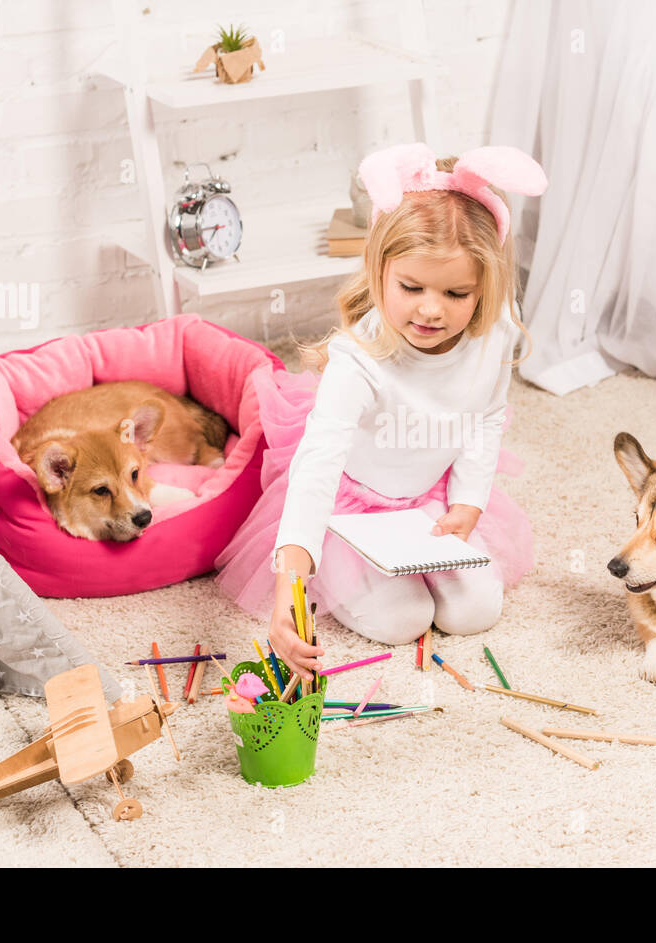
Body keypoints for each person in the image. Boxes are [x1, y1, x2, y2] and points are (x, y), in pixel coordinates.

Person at [215, 142, 548, 679]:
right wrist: (288, 590)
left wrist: (468, 501)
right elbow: (317, 469)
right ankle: (349, 573)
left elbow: (485, 417)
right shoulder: (358, 359)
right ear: (379, 271)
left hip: (428, 497)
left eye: (457, 293)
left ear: (484, 288)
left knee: (475, 612)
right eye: (411, 287)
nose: (431, 309)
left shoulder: (494, 334)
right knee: (401, 620)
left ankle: (431, 550)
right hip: (353, 506)